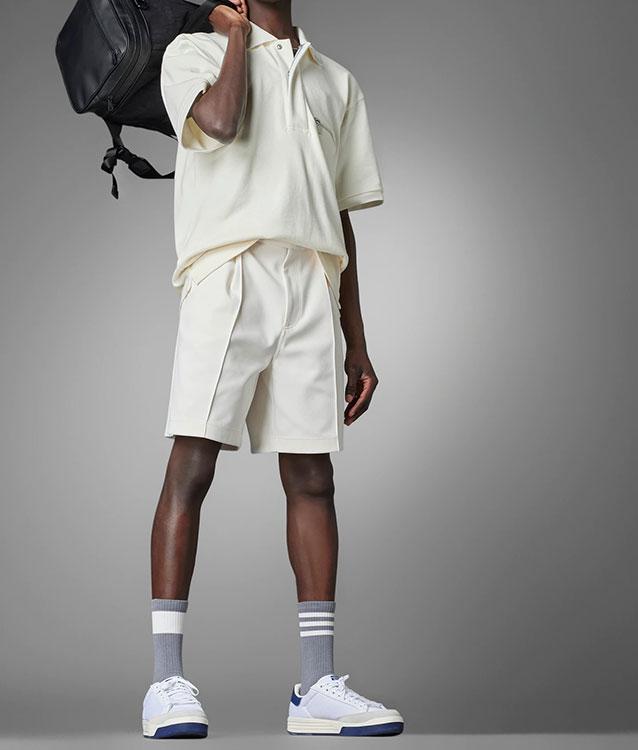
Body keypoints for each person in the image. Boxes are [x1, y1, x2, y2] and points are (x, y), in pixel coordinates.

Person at [142, 0, 404, 738]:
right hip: (228, 273)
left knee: (314, 476)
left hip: (311, 279)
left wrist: (357, 338)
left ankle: (316, 686)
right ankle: (165, 682)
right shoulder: (191, 54)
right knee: (192, 465)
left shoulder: (335, 82)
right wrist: (233, 36)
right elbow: (221, 122)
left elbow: (338, 210)